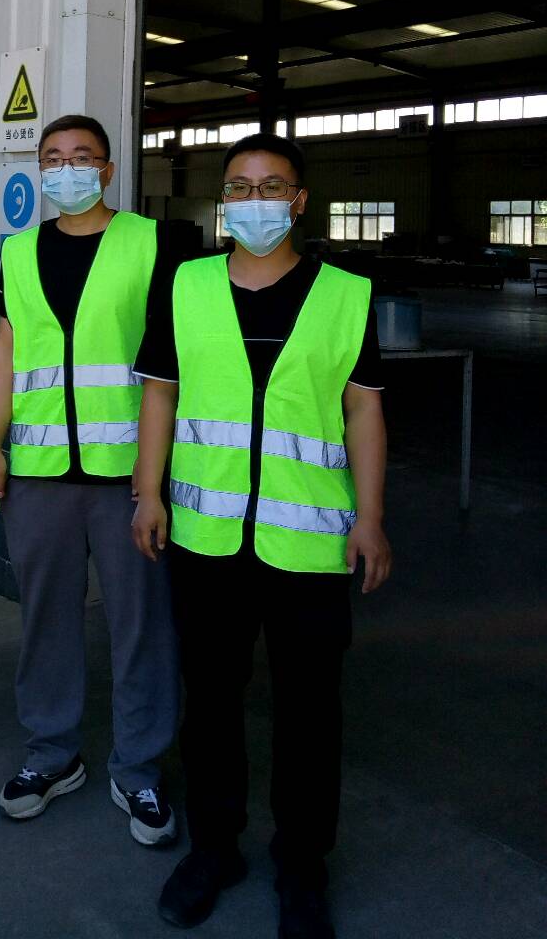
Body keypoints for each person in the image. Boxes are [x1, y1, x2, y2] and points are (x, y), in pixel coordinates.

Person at [132, 134, 391, 939]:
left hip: (308, 544)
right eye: (240, 187)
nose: (255, 200)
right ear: (223, 200)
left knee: (309, 714)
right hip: (207, 539)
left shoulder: (345, 294)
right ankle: (215, 849)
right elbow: (160, 393)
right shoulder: (186, 284)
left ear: (299, 200)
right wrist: (148, 493)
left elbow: (363, 408)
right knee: (211, 703)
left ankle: (302, 865)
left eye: (272, 186)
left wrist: (371, 518)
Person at [0, 114, 188, 846]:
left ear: (107, 169)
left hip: (129, 473)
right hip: (39, 471)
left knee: (141, 623)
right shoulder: (20, 250)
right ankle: (51, 753)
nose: (67, 168)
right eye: (53, 158)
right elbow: (7, 347)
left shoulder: (152, 243)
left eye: (82, 156)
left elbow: (170, 361)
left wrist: (155, 478)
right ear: (41, 170)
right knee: (46, 616)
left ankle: (139, 768)